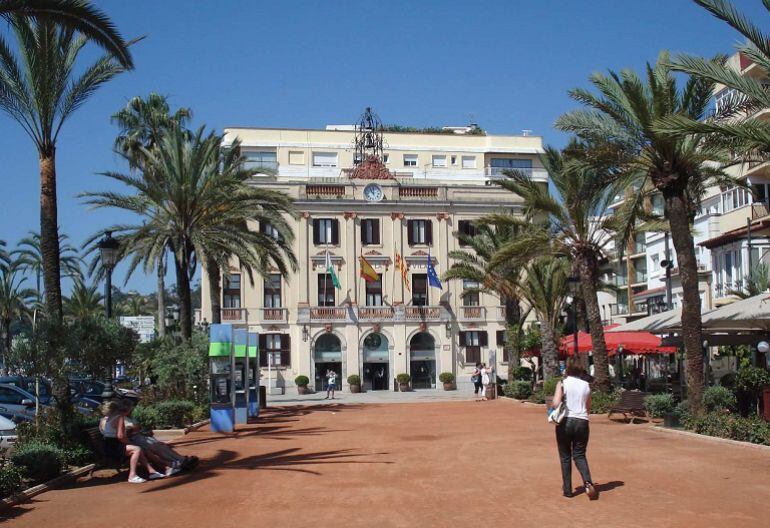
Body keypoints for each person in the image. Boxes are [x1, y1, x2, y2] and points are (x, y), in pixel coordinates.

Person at [551, 359, 598, 500]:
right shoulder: (586, 385)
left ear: (568, 370)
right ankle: (588, 482)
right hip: (582, 421)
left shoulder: (562, 383)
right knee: (579, 454)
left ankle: (568, 489)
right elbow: (588, 407)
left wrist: (554, 406)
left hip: (566, 420)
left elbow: (556, 403)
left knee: (565, 456)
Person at [122, 399, 198, 475]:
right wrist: (134, 430)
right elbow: (125, 432)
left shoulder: (130, 417)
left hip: (140, 436)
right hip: (134, 439)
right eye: (132, 406)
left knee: (161, 444)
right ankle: (177, 462)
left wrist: (143, 431)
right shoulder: (121, 418)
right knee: (156, 446)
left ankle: (180, 460)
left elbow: (137, 428)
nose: (133, 407)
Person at [100, 400, 165, 484]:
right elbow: (121, 436)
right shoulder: (119, 417)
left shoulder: (110, 418)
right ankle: (132, 476)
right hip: (114, 446)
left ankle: (152, 472)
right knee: (137, 449)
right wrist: (131, 444)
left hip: (109, 445)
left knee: (138, 449)